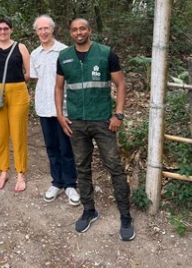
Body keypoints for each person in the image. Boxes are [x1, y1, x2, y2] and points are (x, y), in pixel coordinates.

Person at [55, 18, 133, 240]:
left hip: (103, 121)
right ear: (70, 33)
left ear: (89, 30)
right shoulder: (64, 57)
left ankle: (125, 216)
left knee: (115, 167)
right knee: (82, 167)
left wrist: (118, 114)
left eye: (82, 28)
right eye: (74, 29)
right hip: (76, 122)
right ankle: (89, 210)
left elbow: (121, 84)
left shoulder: (106, 53)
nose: (79, 32)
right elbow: (59, 87)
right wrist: (60, 115)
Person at [29, 15, 79, 205]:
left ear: (53, 29)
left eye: (46, 28)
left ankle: (70, 185)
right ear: (36, 32)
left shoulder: (65, 51)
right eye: (39, 29)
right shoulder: (35, 54)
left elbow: (72, 79)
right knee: (51, 147)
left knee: (66, 147)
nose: (43, 32)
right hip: (43, 107)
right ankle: (56, 182)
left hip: (63, 108)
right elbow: (36, 78)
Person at [0, 18, 31, 192]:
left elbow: (28, 72)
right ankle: (3, 171)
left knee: (18, 133)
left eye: (6, 28)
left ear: (11, 30)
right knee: (0, 134)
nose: (2, 31)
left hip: (18, 91)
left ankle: (21, 172)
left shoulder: (20, 47)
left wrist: (14, 83)